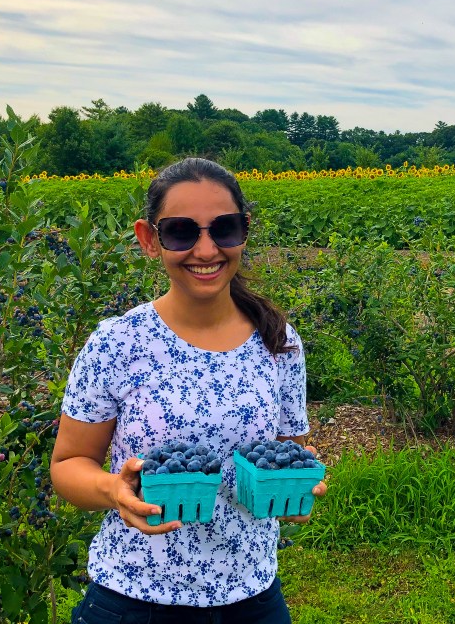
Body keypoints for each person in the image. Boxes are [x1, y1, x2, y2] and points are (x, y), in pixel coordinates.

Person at [50, 157, 326, 623]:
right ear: (149, 239)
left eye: (224, 228)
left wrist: (294, 486)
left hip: (252, 597)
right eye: (181, 232)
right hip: (135, 598)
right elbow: (67, 465)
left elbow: (286, 451)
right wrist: (113, 490)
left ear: (244, 231)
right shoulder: (118, 343)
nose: (206, 250)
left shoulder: (279, 341)